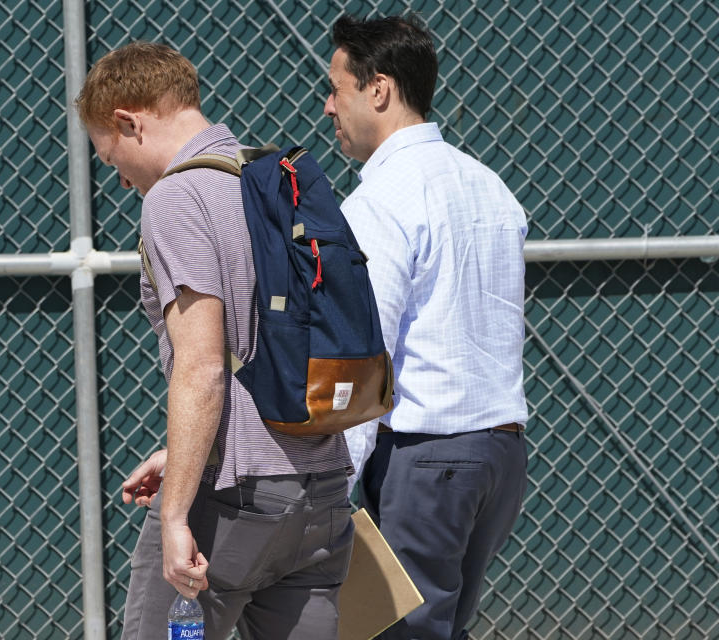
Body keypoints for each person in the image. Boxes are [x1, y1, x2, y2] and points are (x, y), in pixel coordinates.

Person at [76, 42, 355, 640]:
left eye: (112, 158)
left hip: (235, 498)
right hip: (322, 490)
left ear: (129, 121)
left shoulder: (176, 198)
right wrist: (183, 454)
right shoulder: (272, 179)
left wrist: (176, 513)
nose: (122, 179)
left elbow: (203, 367)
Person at [323, 14, 530, 640]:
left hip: (426, 458)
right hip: (499, 454)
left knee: (399, 633)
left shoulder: (380, 200)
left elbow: (365, 352)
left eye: (336, 89)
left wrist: (333, 486)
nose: (329, 106)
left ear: (378, 89)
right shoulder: (490, 187)